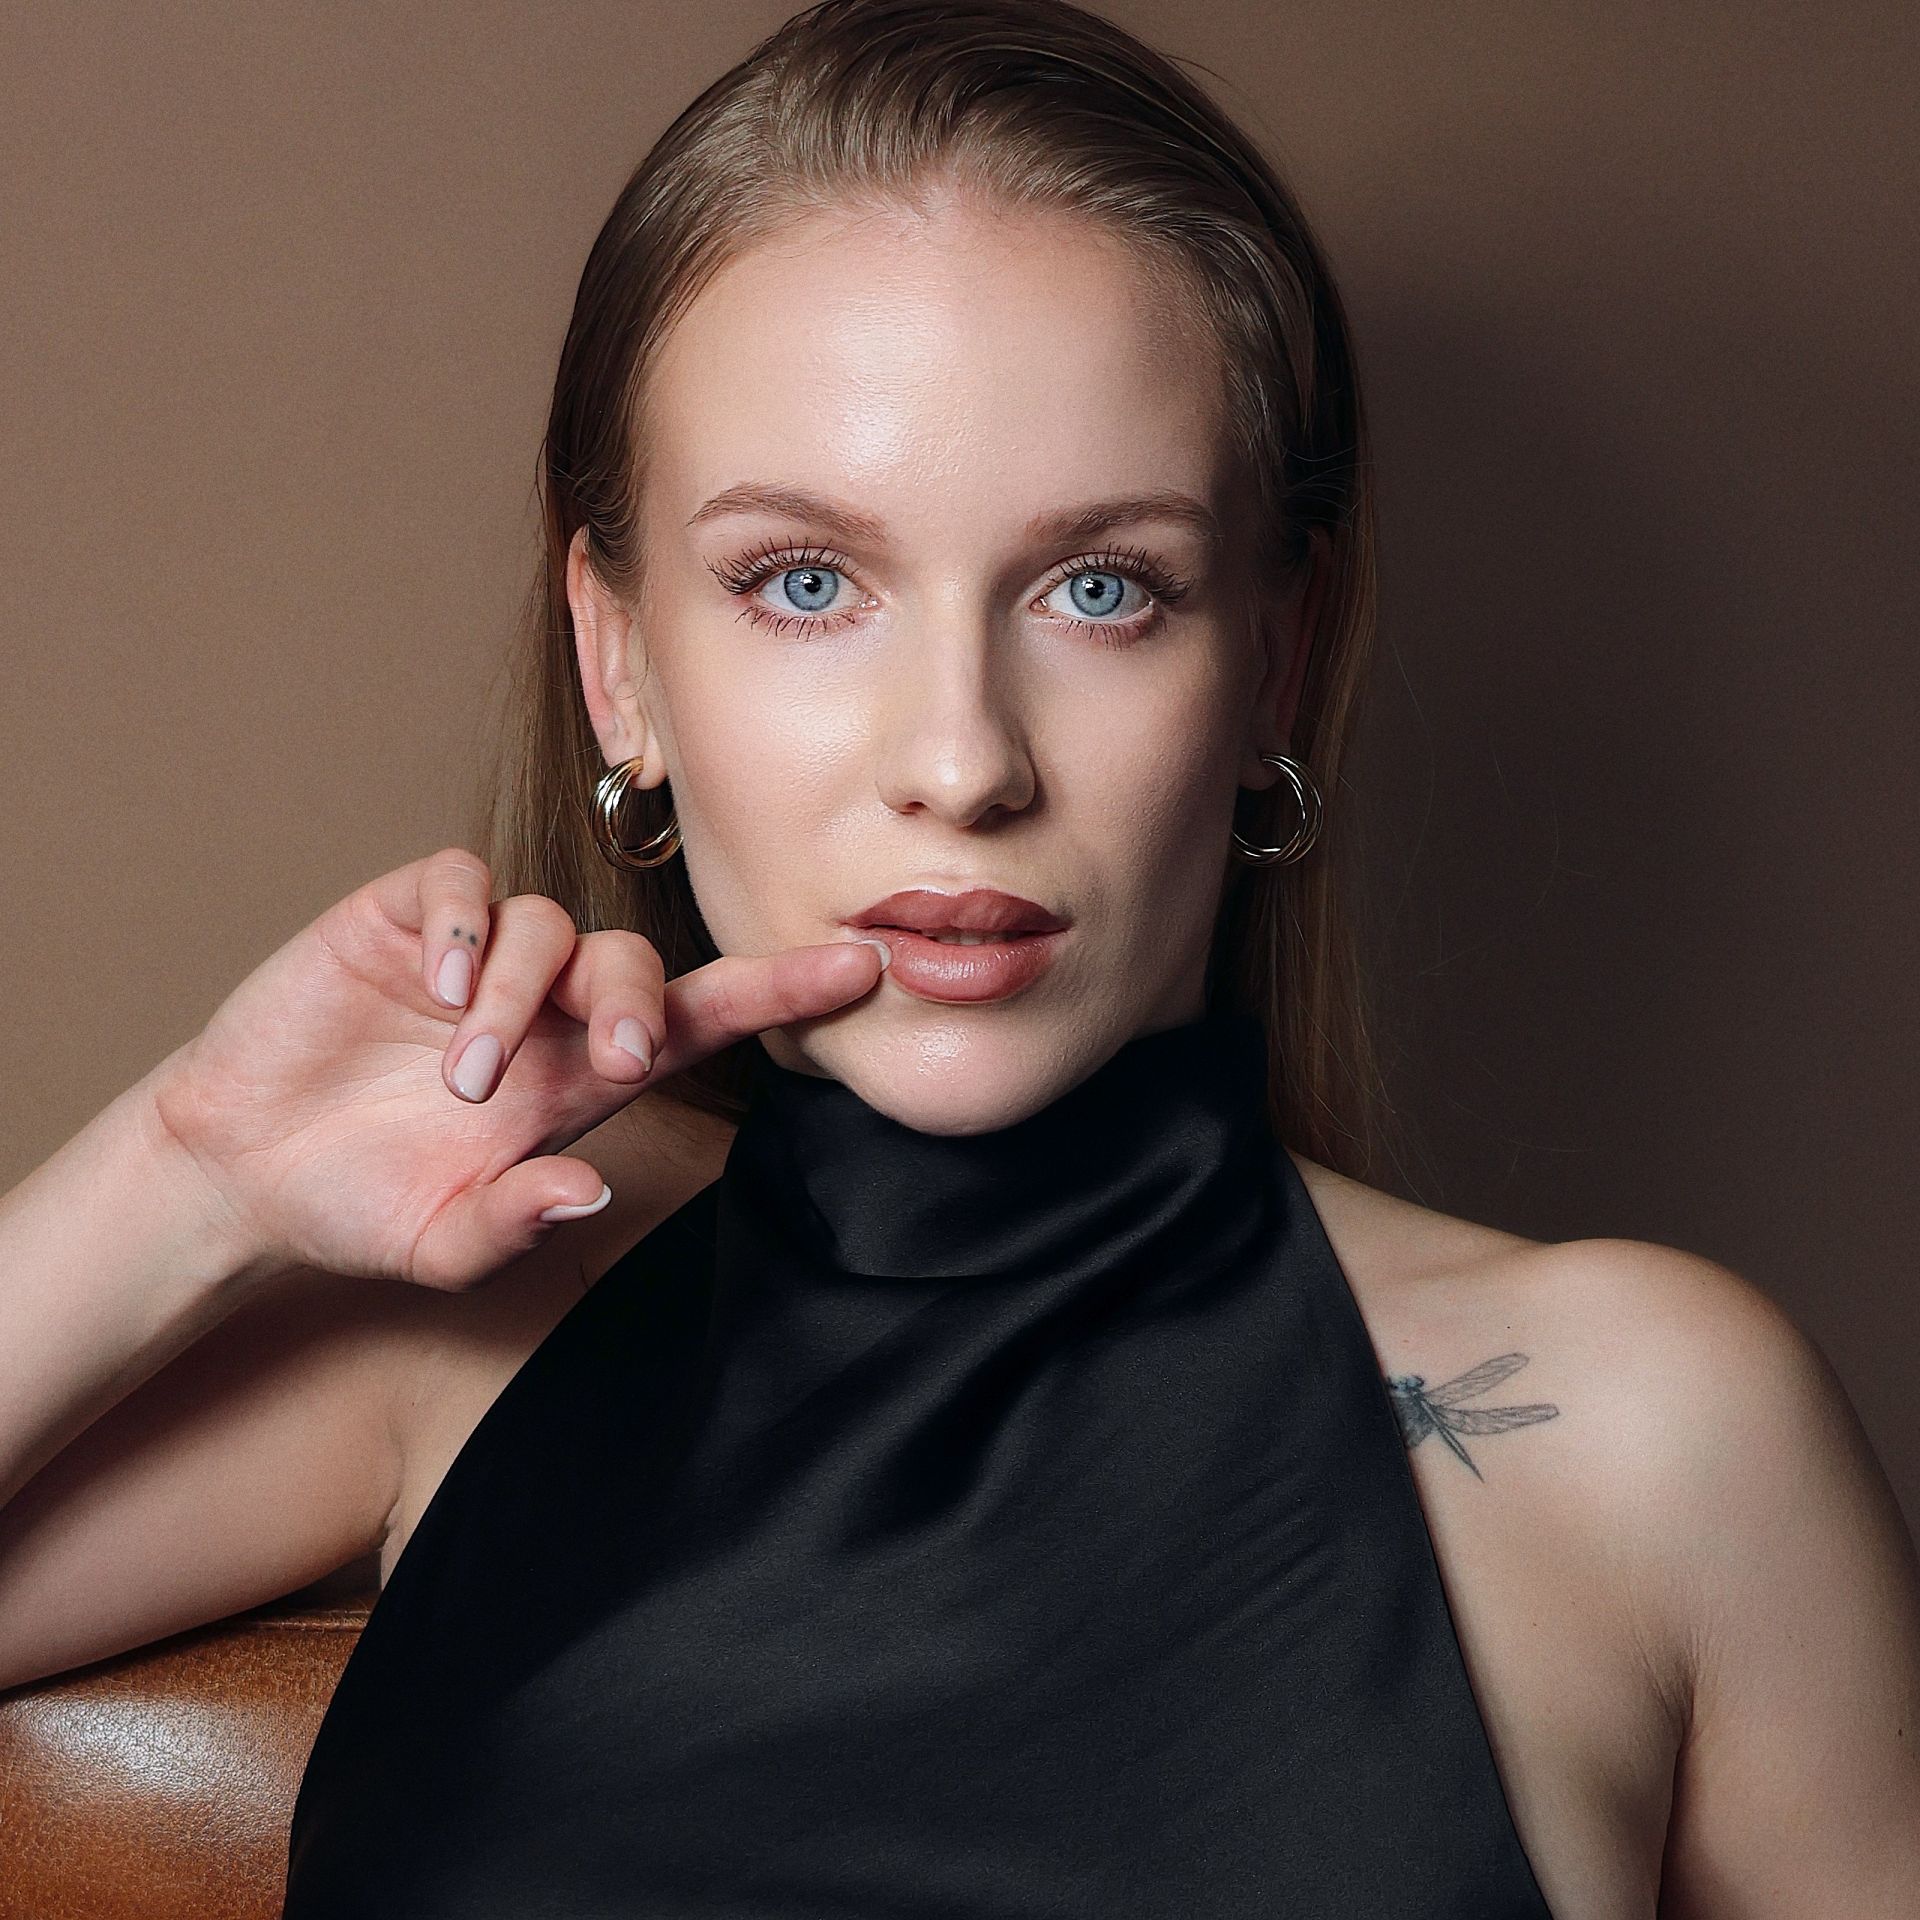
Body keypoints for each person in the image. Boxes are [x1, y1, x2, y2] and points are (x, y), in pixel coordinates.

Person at [2, 0, 1916, 1911]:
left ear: (1274, 657)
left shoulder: (1658, 1433)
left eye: (1101, 587)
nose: (961, 761)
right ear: (619, 658)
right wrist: (187, 1173)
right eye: (805, 583)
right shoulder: (477, 1308)